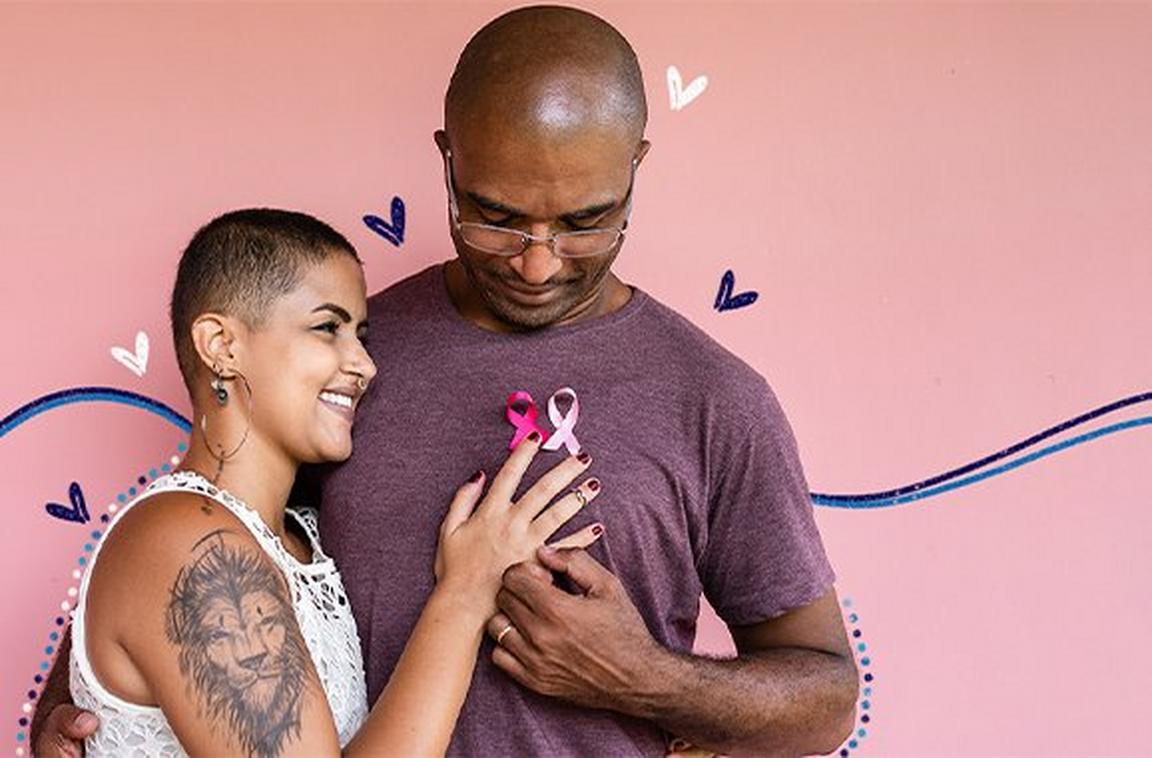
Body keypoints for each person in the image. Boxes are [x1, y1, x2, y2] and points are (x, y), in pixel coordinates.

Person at [35, 6, 859, 756]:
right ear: (448, 160)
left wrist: (641, 677)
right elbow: (202, 543)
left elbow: (825, 702)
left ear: (635, 165)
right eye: (495, 217)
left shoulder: (715, 399)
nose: (538, 264)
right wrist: (81, 705)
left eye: (585, 222)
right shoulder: (347, 362)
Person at [49, 208, 604, 757]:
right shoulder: (187, 545)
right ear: (221, 345)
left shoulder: (304, 534)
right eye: (327, 328)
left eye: (360, 335)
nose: (365, 364)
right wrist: (466, 592)